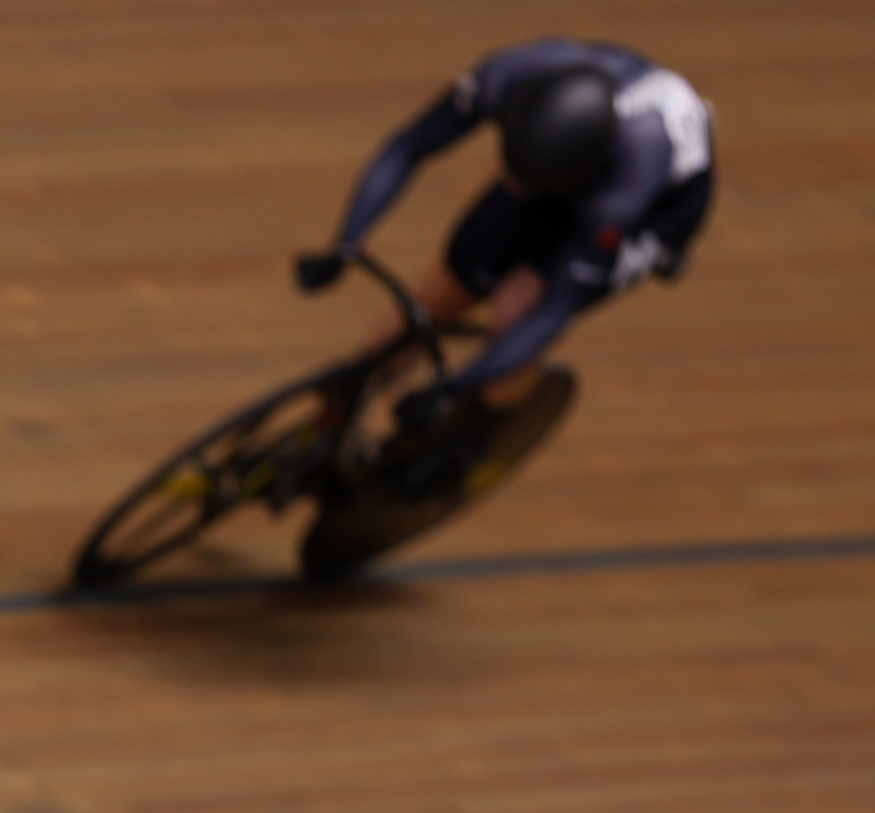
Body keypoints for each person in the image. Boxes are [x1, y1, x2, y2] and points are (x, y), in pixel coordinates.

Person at [294, 38, 715, 482]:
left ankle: (472, 440)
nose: (512, 185)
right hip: (562, 167)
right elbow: (409, 146)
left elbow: (556, 308)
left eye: (525, 178)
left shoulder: (624, 190)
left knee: (517, 312)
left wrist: (456, 387)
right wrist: (346, 242)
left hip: (657, 215)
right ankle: (346, 404)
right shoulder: (506, 77)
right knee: (445, 290)